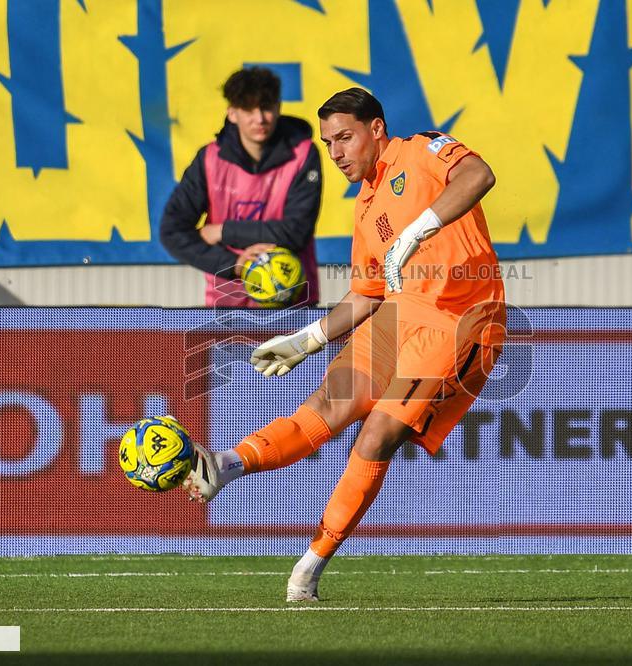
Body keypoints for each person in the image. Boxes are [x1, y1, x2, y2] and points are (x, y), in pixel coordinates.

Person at [182, 87, 506, 601]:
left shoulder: (422, 149)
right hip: (400, 313)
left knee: (376, 435)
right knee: (328, 406)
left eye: (345, 138)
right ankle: (228, 464)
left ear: (376, 129)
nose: (335, 154)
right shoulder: (366, 205)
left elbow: (479, 176)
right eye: (328, 143)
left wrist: (420, 229)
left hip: (458, 319)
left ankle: (310, 567)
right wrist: (305, 339)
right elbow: (366, 293)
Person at [160, 66, 321, 306]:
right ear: (232, 113)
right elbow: (172, 231)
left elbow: (296, 231)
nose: (260, 118)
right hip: (227, 305)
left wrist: (222, 231)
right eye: (248, 108)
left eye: (266, 107)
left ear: (278, 108)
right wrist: (235, 265)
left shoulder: (303, 153)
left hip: (293, 302)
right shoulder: (209, 159)